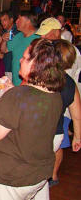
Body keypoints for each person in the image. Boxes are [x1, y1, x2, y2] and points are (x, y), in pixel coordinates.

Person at [0, 38, 65, 200]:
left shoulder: (17, 97)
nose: (20, 59)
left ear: (36, 65)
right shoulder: (55, 96)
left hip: (11, 178)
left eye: (25, 57)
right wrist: (14, 89)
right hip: (39, 174)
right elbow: (28, 113)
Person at [49, 40, 81, 187]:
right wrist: (77, 137)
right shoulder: (70, 83)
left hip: (39, 134)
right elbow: (77, 115)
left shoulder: (44, 79)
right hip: (57, 135)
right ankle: (52, 178)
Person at [0, 10, 39, 86]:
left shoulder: (39, 38)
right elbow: (4, 50)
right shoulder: (18, 36)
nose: (16, 21)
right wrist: (4, 41)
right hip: (16, 82)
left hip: (31, 84)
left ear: (28, 21)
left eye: (19, 19)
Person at [0, 10, 19, 81]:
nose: (2, 22)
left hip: (15, 67)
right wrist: (3, 40)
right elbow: (2, 50)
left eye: (4, 20)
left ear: (11, 20)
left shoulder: (18, 31)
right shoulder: (5, 32)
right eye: (1, 20)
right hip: (7, 65)